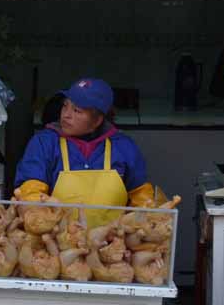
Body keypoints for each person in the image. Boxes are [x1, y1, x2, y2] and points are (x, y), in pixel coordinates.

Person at [14, 78, 164, 227]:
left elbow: (141, 196)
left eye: (76, 110)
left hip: (111, 244)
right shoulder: (44, 142)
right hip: (57, 241)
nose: (66, 115)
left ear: (98, 120)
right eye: (65, 106)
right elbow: (31, 190)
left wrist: (145, 223)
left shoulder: (123, 147)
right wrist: (37, 216)